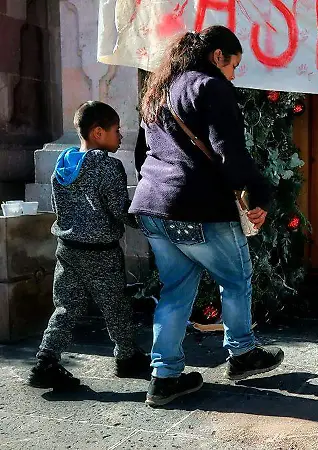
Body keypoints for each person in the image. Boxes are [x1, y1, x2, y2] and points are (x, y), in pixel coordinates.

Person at [133, 25, 283, 407]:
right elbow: (228, 152)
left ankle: (164, 377)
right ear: (218, 56)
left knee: (176, 291)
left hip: (152, 204)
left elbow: (141, 151)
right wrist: (259, 193)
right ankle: (243, 354)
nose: (234, 74)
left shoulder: (159, 87)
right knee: (236, 279)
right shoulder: (211, 87)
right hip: (195, 206)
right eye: (234, 64)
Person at [28, 101, 150, 390]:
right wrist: (148, 223)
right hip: (100, 253)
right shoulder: (108, 166)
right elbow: (120, 210)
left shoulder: (64, 163)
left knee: (66, 308)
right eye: (116, 130)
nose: (120, 137)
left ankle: (45, 360)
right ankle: (126, 356)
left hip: (67, 248)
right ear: (97, 133)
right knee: (116, 306)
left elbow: (58, 206)